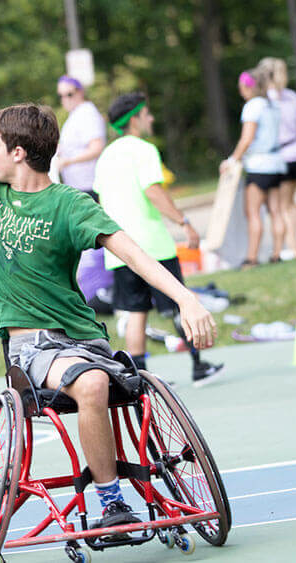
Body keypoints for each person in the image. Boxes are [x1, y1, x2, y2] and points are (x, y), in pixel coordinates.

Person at [0, 20, 217, 531]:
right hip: (31, 348)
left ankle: (122, 488)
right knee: (92, 386)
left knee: (101, 376)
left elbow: (132, 253)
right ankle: (111, 499)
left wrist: (188, 299)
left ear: (19, 153)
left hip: (85, 338)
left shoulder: (69, 204)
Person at [95, 92, 224, 387]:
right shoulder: (143, 150)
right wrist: (184, 221)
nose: (151, 118)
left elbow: (102, 199)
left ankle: (139, 378)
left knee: (135, 312)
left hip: (119, 248)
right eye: (147, 113)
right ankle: (199, 365)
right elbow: (153, 191)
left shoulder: (105, 157)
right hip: (152, 246)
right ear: (136, 119)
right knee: (179, 305)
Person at [220, 68, 287, 268]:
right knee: (276, 210)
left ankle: (252, 257)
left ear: (248, 87)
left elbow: (247, 139)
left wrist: (232, 160)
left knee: (253, 212)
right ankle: (277, 253)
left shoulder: (252, 107)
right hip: (276, 163)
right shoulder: (272, 105)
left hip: (259, 165)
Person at [258, 57, 296, 260]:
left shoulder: (267, 101)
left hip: (282, 156)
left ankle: (294, 249)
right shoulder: (292, 96)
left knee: (282, 206)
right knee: (290, 202)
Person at [54, 75, 106, 199]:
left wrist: (68, 161)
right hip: (77, 186)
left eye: (69, 94)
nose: (65, 99)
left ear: (80, 92)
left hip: (88, 186)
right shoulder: (75, 114)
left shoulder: (87, 114)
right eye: (60, 95)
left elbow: (96, 148)